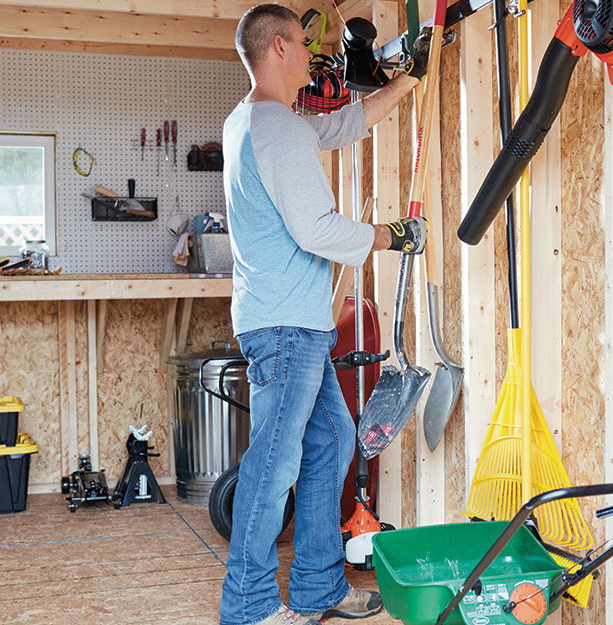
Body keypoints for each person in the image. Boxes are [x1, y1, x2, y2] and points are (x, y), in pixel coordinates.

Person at [219, 5, 431, 625]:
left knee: (332, 441)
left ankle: (317, 588)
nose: (316, 55)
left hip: (290, 322)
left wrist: (405, 83)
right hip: (286, 326)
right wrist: (392, 236)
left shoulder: (258, 122)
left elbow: (341, 126)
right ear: (280, 46)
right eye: (307, 46)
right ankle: (250, 607)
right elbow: (315, 229)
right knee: (275, 464)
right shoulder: (275, 128)